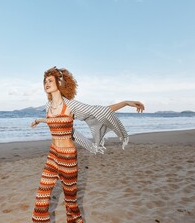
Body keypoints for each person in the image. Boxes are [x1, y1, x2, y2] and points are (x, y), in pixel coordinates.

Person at [30, 66, 144, 223]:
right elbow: (53, 121)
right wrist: (40, 120)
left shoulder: (71, 105)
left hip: (68, 158)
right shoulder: (48, 107)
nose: (46, 83)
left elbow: (100, 111)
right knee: (41, 196)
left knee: (71, 203)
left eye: (50, 80)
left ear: (60, 82)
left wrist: (125, 103)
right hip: (53, 154)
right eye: (45, 81)